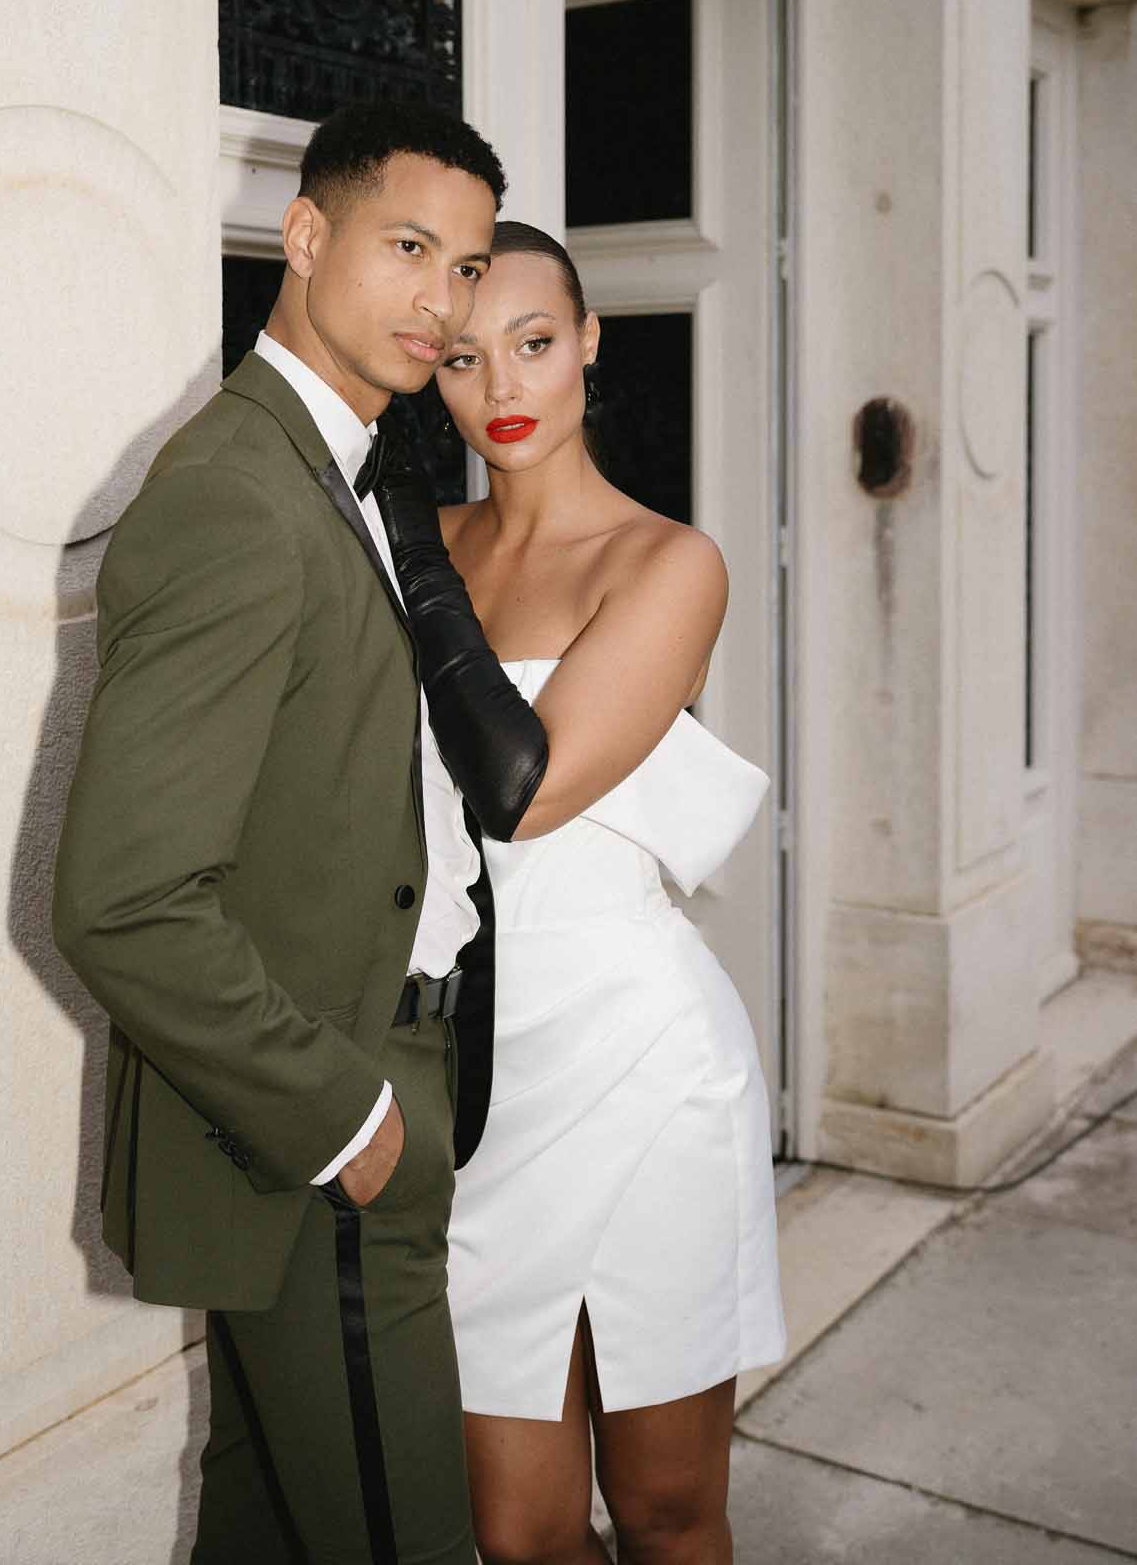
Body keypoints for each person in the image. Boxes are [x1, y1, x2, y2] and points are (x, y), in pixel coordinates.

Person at [51, 100, 506, 1565]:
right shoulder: (238, 494)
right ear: (303, 236)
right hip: (324, 1114)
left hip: (382, 1072)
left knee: (274, 1523)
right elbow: (122, 901)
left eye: (467, 267)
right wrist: (349, 1120)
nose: (442, 302)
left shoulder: (348, 468)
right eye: (409, 248)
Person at [374, 220, 786, 1565]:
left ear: (589, 343)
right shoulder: (409, 532)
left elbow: (530, 789)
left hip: (638, 1068)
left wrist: (415, 559)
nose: (500, 387)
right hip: (473, 1085)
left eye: (534, 345)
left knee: (667, 1511)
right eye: (461, 357)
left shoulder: (666, 563)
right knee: (515, 1531)